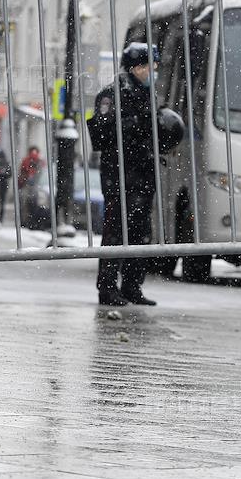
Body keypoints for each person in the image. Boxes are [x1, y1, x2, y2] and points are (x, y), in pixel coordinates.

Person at [87, 42, 185, 307]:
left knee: (140, 232)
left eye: (155, 66)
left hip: (143, 173)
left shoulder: (147, 95)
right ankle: (107, 289)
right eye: (149, 66)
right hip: (120, 175)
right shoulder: (112, 95)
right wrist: (136, 123)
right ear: (135, 67)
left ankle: (132, 286)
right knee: (116, 233)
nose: (153, 71)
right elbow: (104, 133)